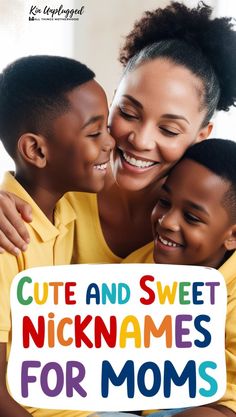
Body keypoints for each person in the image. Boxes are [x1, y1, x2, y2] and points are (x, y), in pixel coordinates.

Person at [0, 2, 235, 263]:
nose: (140, 140)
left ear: (201, 135)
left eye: (168, 130)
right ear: (112, 101)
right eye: (129, 113)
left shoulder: (209, 223)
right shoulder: (66, 183)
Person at [0, 55, 114, 417]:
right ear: (36, 150)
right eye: (95, 132)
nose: (111, 142)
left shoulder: (68, 208)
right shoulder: (7, 239)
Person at [123, 139, 236, 417]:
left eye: (192, 217)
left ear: (232, 235)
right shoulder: (138, 267)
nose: (167, 222)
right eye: (164, 202)